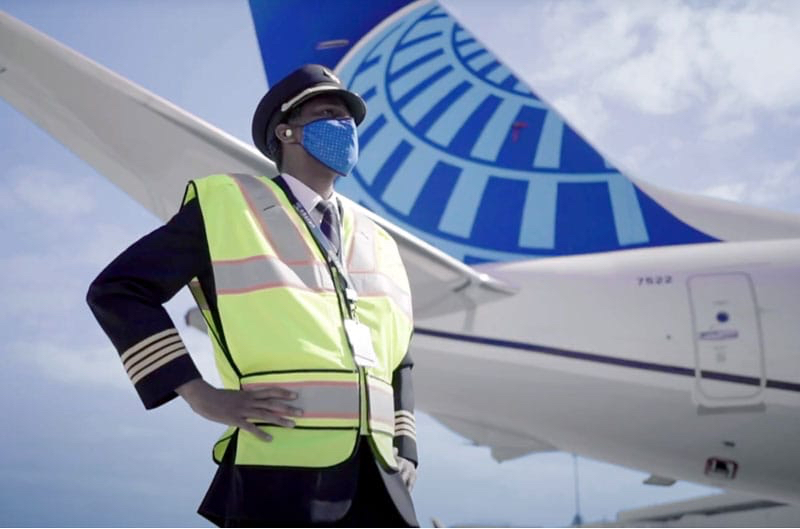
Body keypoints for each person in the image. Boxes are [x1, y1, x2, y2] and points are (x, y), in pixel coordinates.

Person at [86, 64, 418, 527]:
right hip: (280, 472)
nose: (345, 129)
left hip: (380, 481)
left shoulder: (376, 239)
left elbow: (399, 353)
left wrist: (406, 446)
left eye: (350, 121)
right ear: (286, 132)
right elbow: (119, 289)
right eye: (328, 114)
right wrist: (198, 393)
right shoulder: (229, 205)